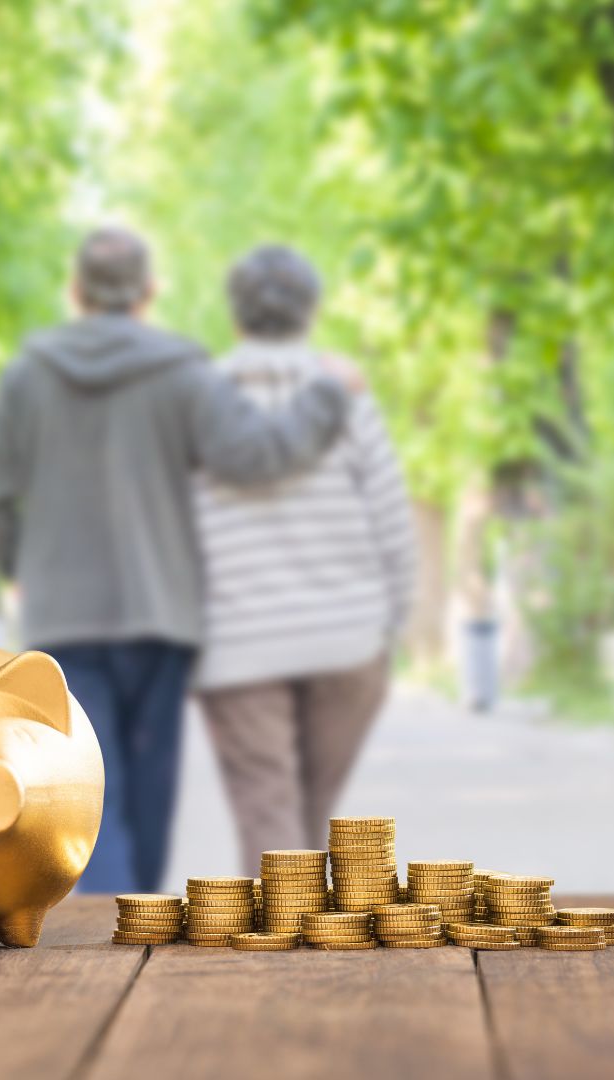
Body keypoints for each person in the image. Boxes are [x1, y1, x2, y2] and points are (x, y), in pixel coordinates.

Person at [0, 227, 357, 893]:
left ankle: (103, 936)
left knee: (87, 793)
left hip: (65, 622)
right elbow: (256, 455)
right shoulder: (182, 372)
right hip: (160, 616)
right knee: (147, 803)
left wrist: (23, 567)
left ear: (76, 290)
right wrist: (326, 396)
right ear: (149, 292)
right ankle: (130, 926)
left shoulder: (28, 376)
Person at [194, 244, 416, 872]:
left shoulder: (199, 399)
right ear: (309, 313)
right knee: (306, 819)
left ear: (235, 315)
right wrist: (387, 626)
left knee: (271, 820)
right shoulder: (347, 395)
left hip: (239, 643)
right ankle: (309, 951)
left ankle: (281, 961)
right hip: (347, 641)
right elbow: (392, 521)